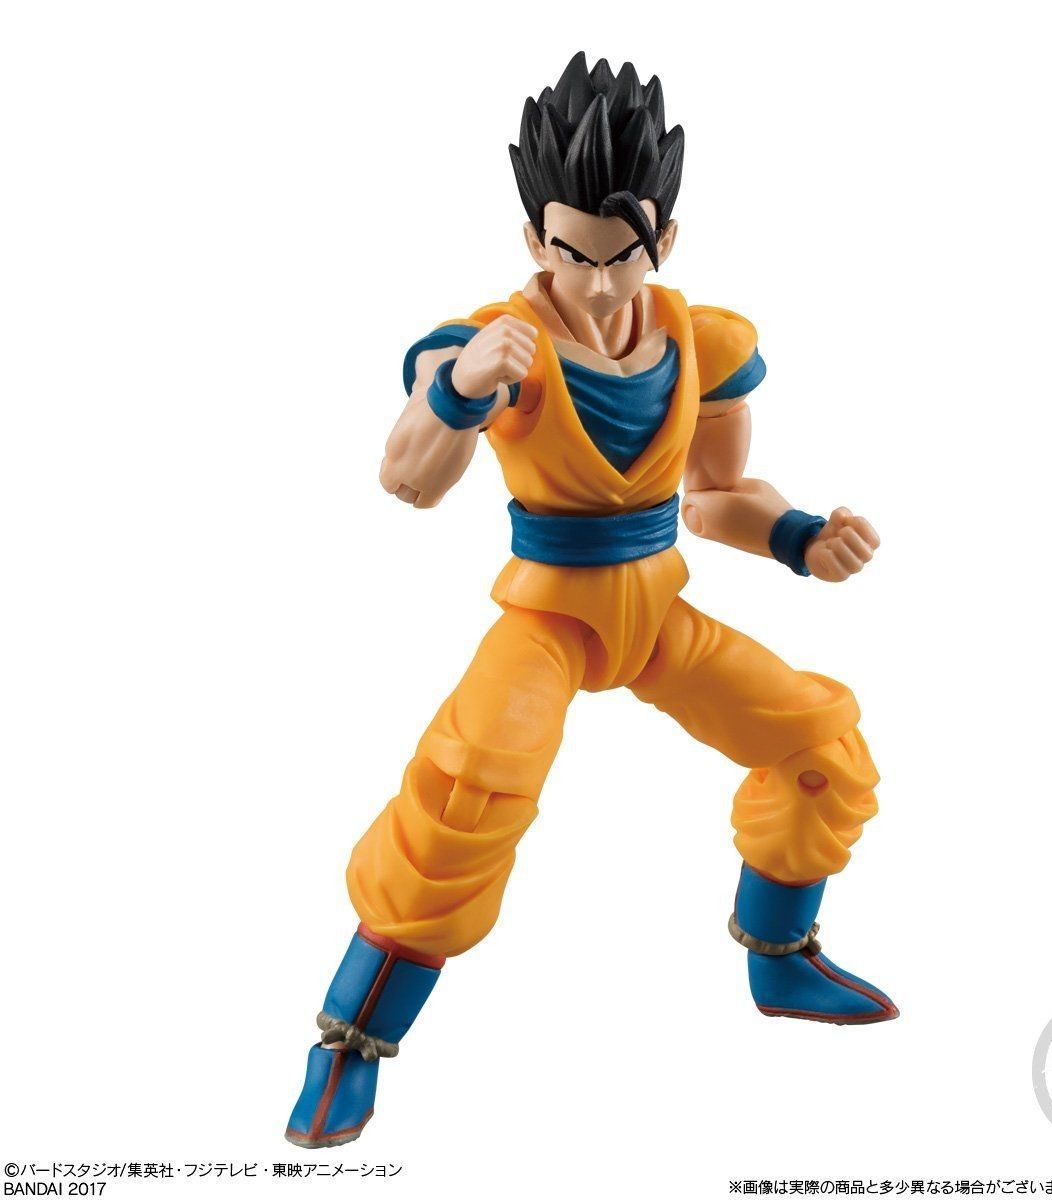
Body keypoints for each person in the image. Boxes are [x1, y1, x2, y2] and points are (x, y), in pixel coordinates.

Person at [286, 51, 895, 1150]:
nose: (602, 283)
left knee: (821, 743)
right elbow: (408, 481)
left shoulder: (706, 343)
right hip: (550, 618)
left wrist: (801, 538)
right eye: (574, 254)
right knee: (468, 796)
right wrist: (462, 387)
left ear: (665, 241)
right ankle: (350, 1043)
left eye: (625, 256)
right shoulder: (490, 342)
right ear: (536, 240)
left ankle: (781, 959)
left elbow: (714, 499)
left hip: (657, 613)